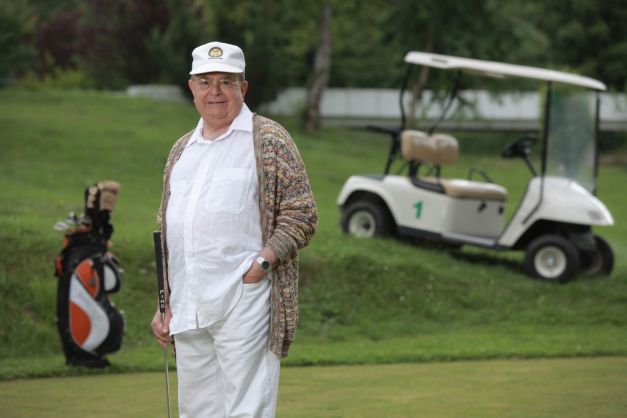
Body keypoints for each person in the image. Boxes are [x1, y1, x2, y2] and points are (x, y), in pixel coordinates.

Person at [150, 41, 317, 418]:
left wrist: (262, 266)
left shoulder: (269, 139)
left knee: (246, 410)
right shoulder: (182, 150)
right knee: (197, 411)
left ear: (243, 87)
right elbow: (169, 229)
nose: (215, 91)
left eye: (226, 81)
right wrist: (164, 301)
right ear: (191, 87)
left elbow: (302, 213)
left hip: (246, 299)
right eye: (205, 81)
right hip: (188, 304)